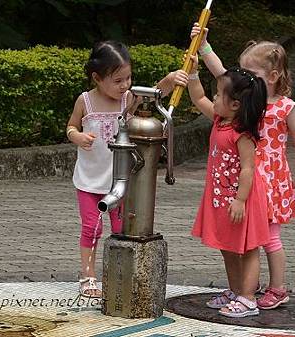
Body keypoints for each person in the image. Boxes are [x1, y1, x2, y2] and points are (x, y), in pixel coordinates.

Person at [191, 24, 295, 309]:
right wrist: (203, 46)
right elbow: (222, 75)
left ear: (273, 76)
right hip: (246, 181)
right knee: (247, 239)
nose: (247, 78)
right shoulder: (248, 102)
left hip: (270, 181)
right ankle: (246, 288)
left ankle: (277, 287)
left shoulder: (283, 107)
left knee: (268, 238)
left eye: (254, 74)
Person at [66, 40, 188, 297]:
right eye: (118, 80)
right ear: (97, 78)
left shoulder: (128, 101)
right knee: (92, 228)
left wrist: (169, 79)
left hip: (121, 181)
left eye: (128, 78)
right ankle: (87, 275)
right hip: (89, 181)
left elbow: (155, 93)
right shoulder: (85, 102)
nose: (125, 85)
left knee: (122, 230)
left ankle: (121, 275)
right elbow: (71, 128)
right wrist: (77, 137)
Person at [187, 53, 270, 317]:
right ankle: (235, 291)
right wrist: (192, 75)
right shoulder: (219, 120)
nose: (213, 98)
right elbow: (198, 97)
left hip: (240, 201)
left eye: (218, 94)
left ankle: (248, 298)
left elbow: (248, 168)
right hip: (221, 200)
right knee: (228, 247)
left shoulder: (242, 133)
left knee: (247, 249)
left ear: (235, 104)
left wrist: (241, 200)